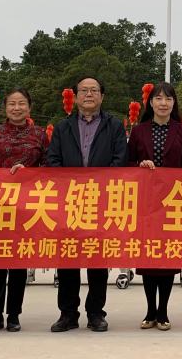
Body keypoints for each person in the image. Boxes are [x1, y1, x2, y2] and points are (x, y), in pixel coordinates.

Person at [46, 76, 127, 333]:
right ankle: (67, 313)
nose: (88, 95)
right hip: (69, 202)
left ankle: (96, 313)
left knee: (97, 260)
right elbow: (53, 160)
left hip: (101, 201)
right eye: (83, 90)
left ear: (102, 96)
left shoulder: (114, 126)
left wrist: (98, 185)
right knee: (67, 259)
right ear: (75, 96)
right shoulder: (63, 127)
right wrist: (70, 185)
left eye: (93, 90)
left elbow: (120, 160)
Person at [0, 88, 49, 333]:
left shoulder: (40, 134)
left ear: (29, 107)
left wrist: (29, 173)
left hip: (27, 208)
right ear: (5, 108)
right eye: (12, 104)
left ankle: (14, 315)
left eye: (21, 104)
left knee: (19, 263)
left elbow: (50, 167)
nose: (17, 108)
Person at [126, 81, 182, 331]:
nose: (163, 103)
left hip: (172, 203)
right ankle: (149, 311)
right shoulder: (139, 131)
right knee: (148, 258)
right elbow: (127, 163)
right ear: (151, 103)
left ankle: (163, 312)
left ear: (174, 103)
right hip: (145, 202)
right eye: (158, 98)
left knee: (167, 258)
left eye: (168, 98)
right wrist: (140, 166)